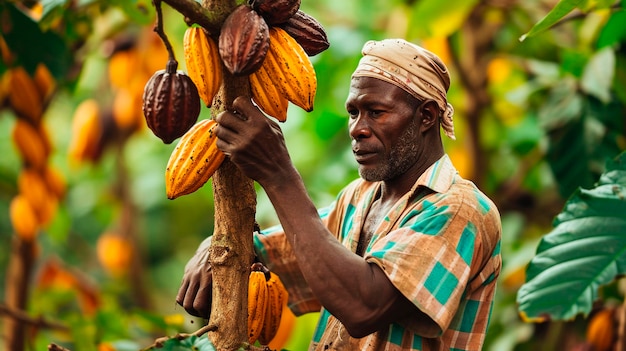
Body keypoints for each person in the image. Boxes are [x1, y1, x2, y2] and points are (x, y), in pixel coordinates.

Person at [176, 38, 502, 351]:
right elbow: (287, 252)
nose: (357, 128)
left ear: (426, 116)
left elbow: (363, 306)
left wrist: (278, 175)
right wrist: (216, 248)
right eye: (353, 112)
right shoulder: (360, 197)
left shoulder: (460, 208)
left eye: (376, 111)